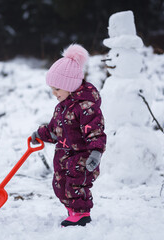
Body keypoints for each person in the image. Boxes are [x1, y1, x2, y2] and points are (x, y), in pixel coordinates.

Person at [31, 44, 106, 227]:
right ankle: (73, 211)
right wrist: (40, 134)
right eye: (52, 89)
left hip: (82, 157)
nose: (53, 93)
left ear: (70, 86)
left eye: (57, 89)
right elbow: (54, 129)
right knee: (60, 185)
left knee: (76, 186)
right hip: (63, 155)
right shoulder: (61, 107)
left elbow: (96, 131)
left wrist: (95, 153)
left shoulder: (86, 107)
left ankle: (82, 215)